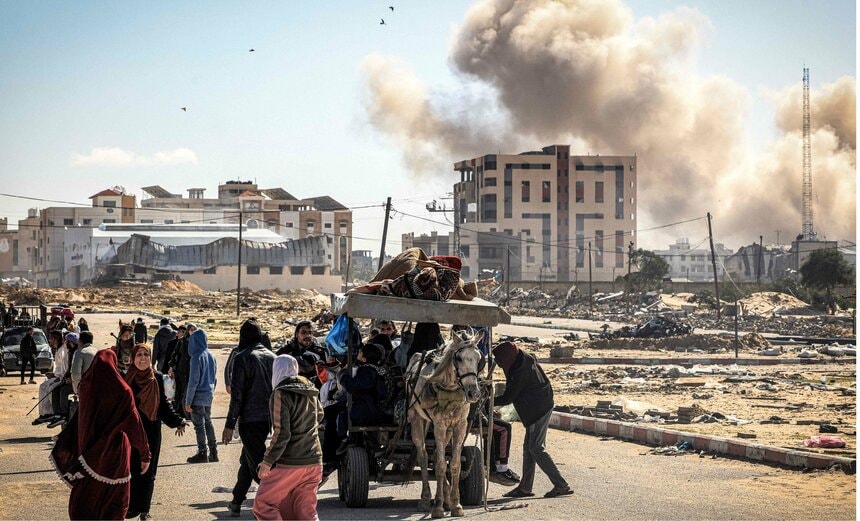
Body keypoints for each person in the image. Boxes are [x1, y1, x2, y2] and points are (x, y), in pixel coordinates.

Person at [50, 348, 152, 520]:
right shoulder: (123, 391)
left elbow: (79, 420)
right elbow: (135, 426)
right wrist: (145, 454)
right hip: (115, 457)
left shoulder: (86, 387)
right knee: (115, 502)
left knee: (88, 499)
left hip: (88, 456)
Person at [492, 341, 572, 499]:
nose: (501, 367)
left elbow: (509, 397)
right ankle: (525, 488)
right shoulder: (522, 357)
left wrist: (489, 401)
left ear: (507, 359)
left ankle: (561, 484)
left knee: (535, 447)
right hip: (539, 404)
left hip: (538, 409)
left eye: (501, 363)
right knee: (528, 448)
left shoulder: (520, 370)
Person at [252, 355, 323, 521]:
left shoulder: (280, 393)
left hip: (291, 462)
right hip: (314, 461)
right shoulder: (311, 390)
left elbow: (282, 432)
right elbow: (319, 416)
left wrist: (267, 462)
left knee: (264, 504)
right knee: (306, 512)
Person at [124, 344, 187, 520]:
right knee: (130, 468)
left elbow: (163, 405)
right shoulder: (125, 377)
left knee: (148, 471)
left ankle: (144, 508)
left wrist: (177, 421)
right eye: (139, 355)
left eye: (146, 354)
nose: (142, 358)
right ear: (132, 357)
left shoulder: (157, 378)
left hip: (151, 431)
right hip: (130, 432)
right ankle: (128, 506)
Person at [223, 319, 275, 517]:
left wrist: (230, 424)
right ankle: (236, 500)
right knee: (248, 459)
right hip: (268, 418)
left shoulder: (241, 357)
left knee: (259, 464)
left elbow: (237, 396)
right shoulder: (272, 356)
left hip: (250, 419)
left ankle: (274, 502)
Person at [184, 324, 218, 463]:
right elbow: (214, 378)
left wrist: (188, 401)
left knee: (199, 426)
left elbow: (193, 381)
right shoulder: (212, 356)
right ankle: (214, 453)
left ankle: (202, 452)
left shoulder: (196, 357)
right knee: (208, 422)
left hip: (197, 396)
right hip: (208, 395)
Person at [338, 343, 389, 429]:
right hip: (369, 409)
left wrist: (343, 375)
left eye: (360, 352)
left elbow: (352, 386)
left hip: (366, 412)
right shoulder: (376, 369)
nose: (358, 353)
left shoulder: (368, 372)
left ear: (364, 359)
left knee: (333, 412)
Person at [33, 330, 67, 426]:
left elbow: (65, 369)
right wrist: (53, 374)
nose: (49, 340)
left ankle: (55, 413)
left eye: (51, 338)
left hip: (62, 378)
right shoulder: (58, 350)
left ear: (55, 339)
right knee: (43, 386)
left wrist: (57, 376)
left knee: (51, 387)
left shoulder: (62, 351)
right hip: (58, 376)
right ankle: (45, 413)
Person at [167, 325, 190, 418]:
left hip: (189, 372)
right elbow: (174, 355)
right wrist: (171, 367)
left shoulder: (193, 342)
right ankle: (178, 411)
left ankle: (185, 412)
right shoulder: (180, 342)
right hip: (179, 371)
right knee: (178, 392)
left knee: (186, 392)